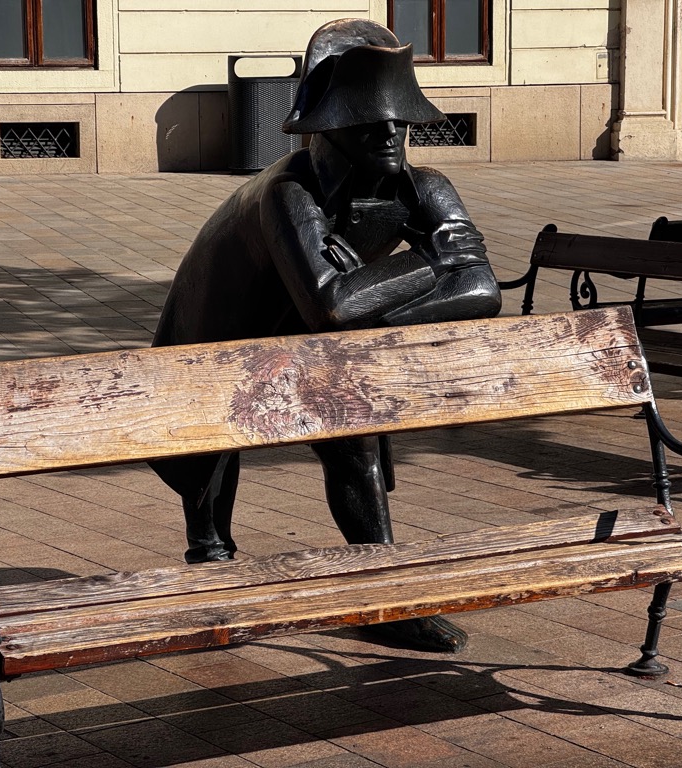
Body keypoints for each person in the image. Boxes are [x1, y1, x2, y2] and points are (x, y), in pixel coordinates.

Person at [150, 18, 502, 651]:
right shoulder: (288, 194)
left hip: (312, 334)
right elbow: (332, 307)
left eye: (401, 121)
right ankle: (213, 572)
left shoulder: (425, 188)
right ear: (333, 128)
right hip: (224, 326)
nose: (392, 134)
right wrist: (429, 262)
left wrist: (364, 303)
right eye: (371, 123)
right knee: (209, 448)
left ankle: (384, 597)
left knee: (354, 448)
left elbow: (481, 291)